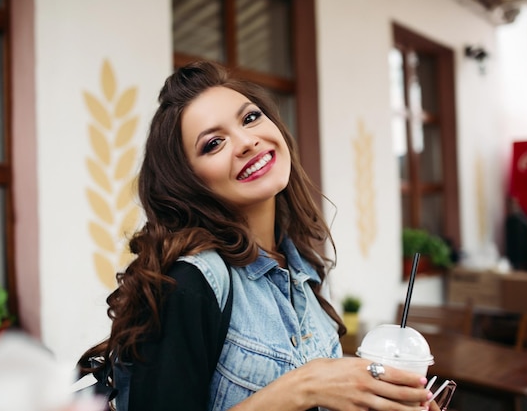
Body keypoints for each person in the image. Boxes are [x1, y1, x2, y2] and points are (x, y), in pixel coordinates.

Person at [79, 61, 437, 411]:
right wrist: (302, 387)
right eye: (214, 143)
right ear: (187, 181)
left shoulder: (301, 267)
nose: (247, 142)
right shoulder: (188, 283)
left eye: (250, 118)